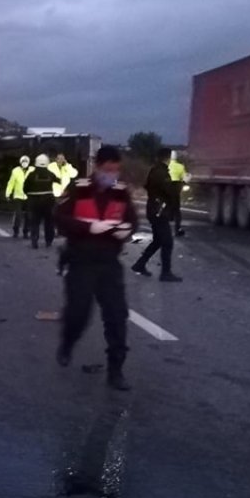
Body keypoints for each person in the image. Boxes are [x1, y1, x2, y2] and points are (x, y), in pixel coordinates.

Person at [54, 145, 137, 391]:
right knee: (78, 313)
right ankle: (68, 343)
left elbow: (132, 220)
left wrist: (127, 230)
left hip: (109, 263)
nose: (111, 175)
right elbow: (59, 217)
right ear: (98, 167)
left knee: (116, 316)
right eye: (107, 170)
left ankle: (116, 370)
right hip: (81, 262)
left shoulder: (121, 192)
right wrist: (88, 227)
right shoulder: (79, 189)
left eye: (116, 170)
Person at [131, 148, 183, 282]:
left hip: (155, 209)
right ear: (168, 158)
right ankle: (165, 273)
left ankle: (140, 264)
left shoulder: (155, 170)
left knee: (158, 241)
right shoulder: (161, 172)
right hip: (159, 211)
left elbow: (149, 187)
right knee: (167, 242)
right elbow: (169, 191)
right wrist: (180, 184)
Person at [23, 154, 59, 249]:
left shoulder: (31, 175)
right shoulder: (51, 174)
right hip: (48, 200)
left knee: (35, 221)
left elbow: (25, 188)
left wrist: (29, 194)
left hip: (34, 200)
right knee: (49, 221)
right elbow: (58, 181)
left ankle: (34, 240)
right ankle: (49, 241)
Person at [5, 155, 32, 238]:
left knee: (29, 215)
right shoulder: (16, 171)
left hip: (29, 196)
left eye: (26, 161)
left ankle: (26, 231)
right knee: (18, 214)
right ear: (20, 162)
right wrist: (8, 193)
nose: (25, 163)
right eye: (23, 161)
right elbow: (11, 183)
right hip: (18, 196)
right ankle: (16, 230)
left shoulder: (32, 170)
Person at [168, 152, 188, 236]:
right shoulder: (180, 166)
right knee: (177, 211)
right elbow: (186, 177)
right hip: (176, 188)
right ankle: (177, 230)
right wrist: (183, 183)